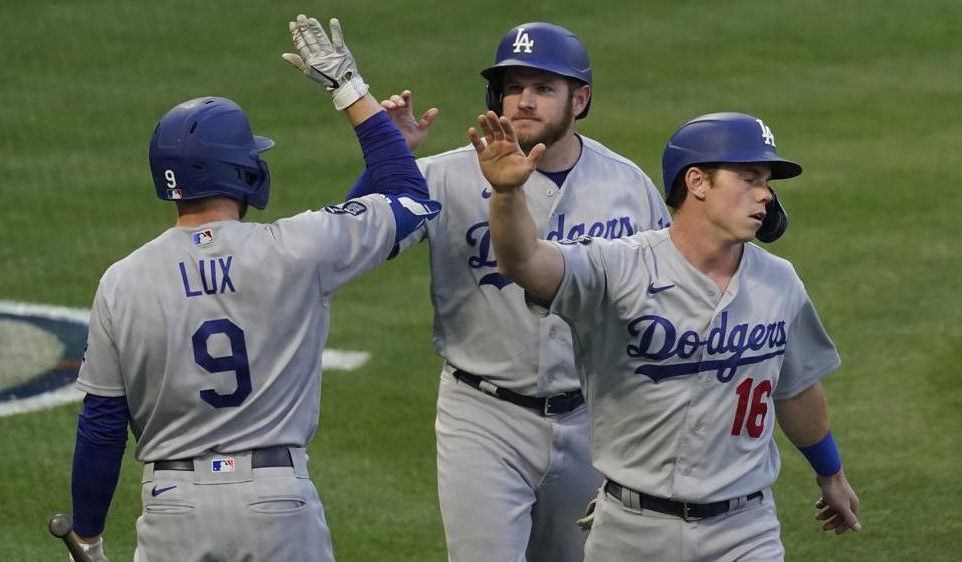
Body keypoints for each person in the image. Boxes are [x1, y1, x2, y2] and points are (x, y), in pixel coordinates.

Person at [66, 14, 439, 562]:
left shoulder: (122, 280)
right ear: (242, 171)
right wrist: (354, 96)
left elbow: (101, 425)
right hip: (276, 503)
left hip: (173, 509)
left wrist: (88, 534)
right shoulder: (295, 251)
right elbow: (410, 202)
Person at [472, 110, 861, 561]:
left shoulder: (779, 281)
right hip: (631, 531)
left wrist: (830, 474)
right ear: (697, 182)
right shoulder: (617, 268)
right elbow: (523, 262)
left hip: (745, 530)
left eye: (767, 181)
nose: (766, 196)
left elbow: (796, 388)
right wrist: (506, 192)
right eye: (749, 178)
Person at [347, 22, 670, 562]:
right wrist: (390, 161)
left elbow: (662, 298)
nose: (523, 100)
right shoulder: (447, 175)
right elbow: (355, 240)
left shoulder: (628, 186)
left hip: (591, 416)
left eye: (543, 88)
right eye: (512, 87)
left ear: (580, 99)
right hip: (482, 415)